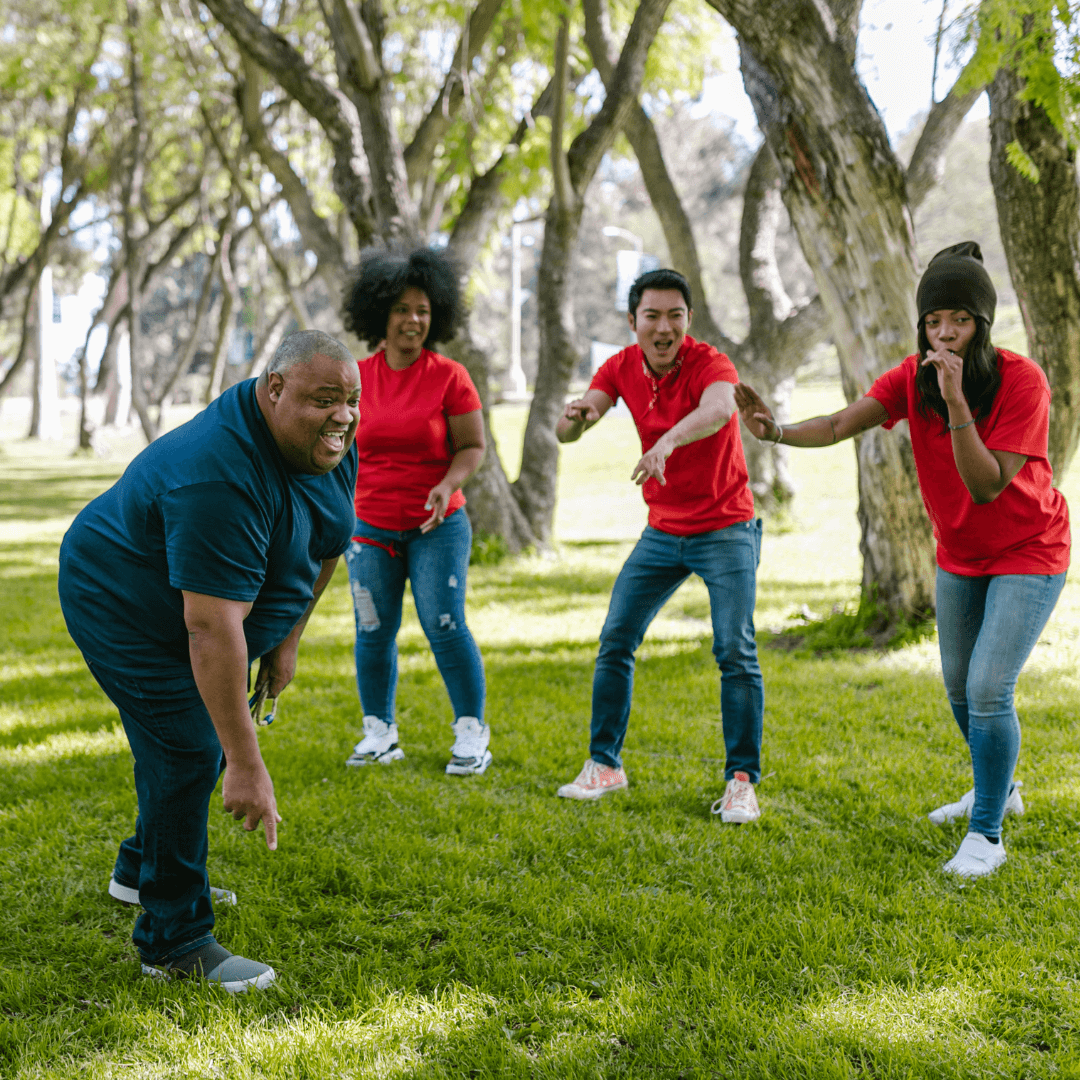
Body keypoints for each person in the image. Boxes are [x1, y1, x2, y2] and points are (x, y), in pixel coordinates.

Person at [737, 242, 1070, 878]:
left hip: (1030, 549)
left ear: (983, 324)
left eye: (960, 320)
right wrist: (776, 430)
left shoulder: (1023, 381)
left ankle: (987, 834)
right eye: (933, 319)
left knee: (988, 688)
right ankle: (1002, 785)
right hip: (961, 554)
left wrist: (956, 405)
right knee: (958, 690)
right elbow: (839, 424)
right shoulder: (910, 378)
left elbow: (987, 484)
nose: (944, 332)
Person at [58, 330, 361, 990]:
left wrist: (287, 638)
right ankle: (173, 943)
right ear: (273, 388)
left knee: (199, 742)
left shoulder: (325, 439)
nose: (343, 416)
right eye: (325, 400)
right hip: (119, 599)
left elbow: (330, 539)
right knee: (191, 747)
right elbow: (209, 627)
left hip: (196, 605)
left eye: (351, 401)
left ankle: (141, 870)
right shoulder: (218, 473)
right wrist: (247, 765)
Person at [554, 268, 766, 822]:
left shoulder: (711, 364)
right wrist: (574, 418)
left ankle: (741, 781)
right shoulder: (621, 366)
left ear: (688, 320)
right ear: (634, 322)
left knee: (734, 650)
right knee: (616, 639)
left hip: (726, 528)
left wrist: (667, 441)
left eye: (675, 315)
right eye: (652, 316)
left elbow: (721, 409)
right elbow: (580, 420)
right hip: (664, 531)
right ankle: (605, 765)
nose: (664, 326)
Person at [340, 247, 490, 775]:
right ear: (380, 313)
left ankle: (471, 732)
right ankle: (379, 732)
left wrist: (447, 486)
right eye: (403, 309)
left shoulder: (450, 376)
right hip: (370, 527)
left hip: (437, 525)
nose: (414, 319)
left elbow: (473, 446)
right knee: (373, 629)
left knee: (445, 624)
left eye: (423, 309)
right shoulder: (355, 378)